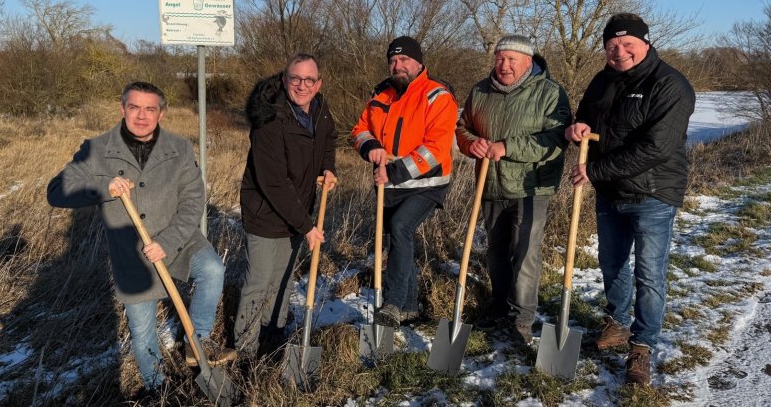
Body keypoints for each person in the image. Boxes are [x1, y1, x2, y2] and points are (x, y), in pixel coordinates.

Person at [47, 81, 235, 395]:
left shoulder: (179, 148)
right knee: (144, 330)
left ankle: (197, 341)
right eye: (134, 108)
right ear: (123, 109)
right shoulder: (97, 149)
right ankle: (155, 390)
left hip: (179, 239)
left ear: (161, 113)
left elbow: (192, 201)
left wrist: (170, 240)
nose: (142, 116)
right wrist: (104, 184)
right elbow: (56, 191)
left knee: (213, 270)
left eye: (150, 109)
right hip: (131, 252)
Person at [566, 13, 694, 385]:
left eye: (627, 45)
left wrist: (594, 172)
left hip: (653, 191)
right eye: (611, 46)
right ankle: (617, 324)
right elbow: (586, 117)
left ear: (646, 43)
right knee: (612, 264)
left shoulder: (671, 84)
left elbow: (656, 147)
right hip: (611, 192)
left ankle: (642, 346)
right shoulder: (602, 79)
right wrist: (579, 128)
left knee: (649, 273)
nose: (619, 52)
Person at [455, 34, 571, 344]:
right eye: (499, 59)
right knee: (496, 251)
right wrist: (471, 143)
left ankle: (522, 317)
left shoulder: (550, 93)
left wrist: (509, 147)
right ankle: (498, 308)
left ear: (528, 63)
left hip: (531, 186)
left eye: (511, 60)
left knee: (525, 253)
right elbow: (463, 127)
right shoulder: (480, 91)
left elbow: (556, 141)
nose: (504, 65)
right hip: (490, 182)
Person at [351, 36, 458, 328]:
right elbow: (360, 129)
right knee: (400, 240)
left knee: (401, 228)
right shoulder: (381, 94)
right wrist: (369, 145)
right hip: (389, 186)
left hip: (427, 183)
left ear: (419, 62)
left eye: (404, 60)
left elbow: (435, 149)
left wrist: (394, 172)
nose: (398, 65)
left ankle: (394, 303)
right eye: (393, 61)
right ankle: (411, 308)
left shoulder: (437, 96)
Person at [235, 53, 337, 356]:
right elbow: (274, 183)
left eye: (308, 80)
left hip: (297, 210)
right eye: (295, 78)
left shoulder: (321, 110)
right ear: (285, 80)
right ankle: (245, 350)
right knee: (259, 283)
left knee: (283, 278)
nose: (301, 86)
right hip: (266, 213)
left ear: (318, 84)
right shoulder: (269, 120)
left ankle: (272, 335)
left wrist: (328, 168)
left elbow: (328, 139)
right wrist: (307, 226)